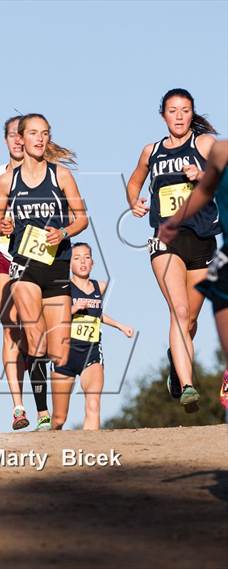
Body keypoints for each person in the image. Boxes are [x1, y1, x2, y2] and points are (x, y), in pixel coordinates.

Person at [0, 113, 88, 431]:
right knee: (35, 343)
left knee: (60, 354)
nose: (39, 138)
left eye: (44, 133)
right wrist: (1, 225)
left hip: (57, 265)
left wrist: (63, 233)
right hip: (24, 267)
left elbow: (82, 218)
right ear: (21, 137)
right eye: (33, 133)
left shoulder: (61, 176)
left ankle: (54, 420)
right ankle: (39, 412)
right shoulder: (7, 181)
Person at [127, 89, 219, 410]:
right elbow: (135, 181)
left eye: (185, 110)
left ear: (192, 114)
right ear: (163, 114)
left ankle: (174, 361)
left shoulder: (204, 144)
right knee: (178, 312)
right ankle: (188, 385)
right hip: (165, 240)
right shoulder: (151, 151)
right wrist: (133, 202)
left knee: (190, 321)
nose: (179, 116)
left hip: (203, 239)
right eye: (172, 110)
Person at [159, 140, 228, 408]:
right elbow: (205, 190)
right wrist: (174, 221)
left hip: (206, 246)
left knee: (189, 320)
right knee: (184, 316)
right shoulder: (221, 150)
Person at [51, 243, 134, 430]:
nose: (82, 261)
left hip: (92, 353)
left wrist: (120, 326)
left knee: (93, 404)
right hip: (65, 353)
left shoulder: (100, 287)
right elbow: (52, 318)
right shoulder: (63, 288)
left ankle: (91, 454)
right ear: (69, 264)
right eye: (77, 258)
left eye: (86, 257)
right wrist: (71, 310)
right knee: (58, 419)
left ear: (93, 263)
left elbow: (96, 313)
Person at [0, 116, 29, 430]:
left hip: (36, 254)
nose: (17, 141)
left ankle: (41, 404)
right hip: (4, 253)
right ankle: (17, 406)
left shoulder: (47, 172)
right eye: (12, 135)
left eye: (21, 135)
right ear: (5, 140)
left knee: (33, 330)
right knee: (10, 326)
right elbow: (0, 213)